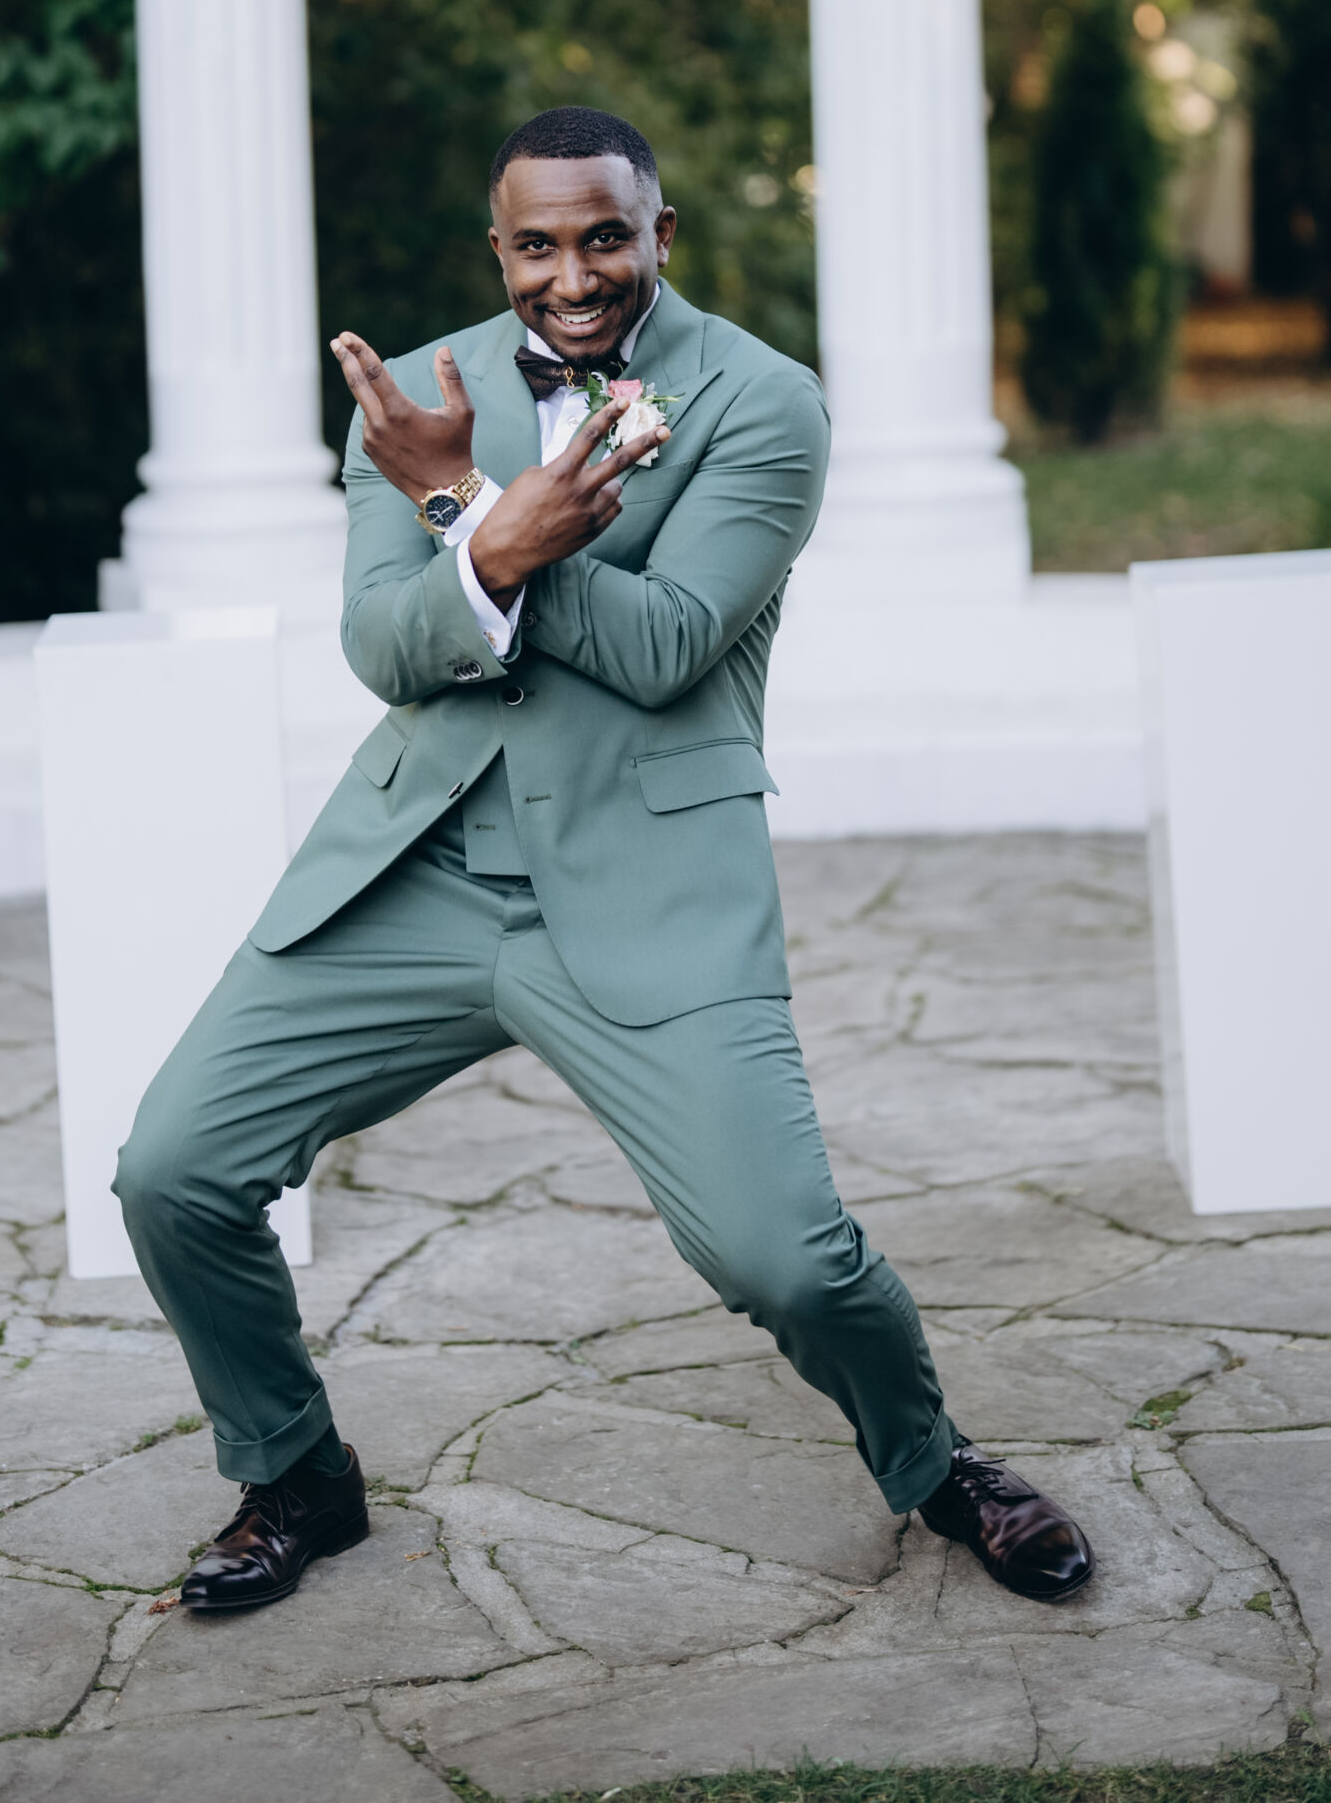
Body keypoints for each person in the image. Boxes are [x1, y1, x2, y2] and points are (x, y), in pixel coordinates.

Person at [115, 106, 1094, 1615]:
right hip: (421, 868)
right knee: (174, 1171)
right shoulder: (413, 398)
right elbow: (384, 647)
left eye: (603, 239)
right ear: (498, 249)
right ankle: (294, 1469)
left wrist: (469, 517)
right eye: (537, 246)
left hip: (651, 880)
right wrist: (470, 516)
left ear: (659, 234)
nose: (571, 276)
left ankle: (934, 1461)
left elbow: (669, 645)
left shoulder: (764, 401)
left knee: (787, 1261)